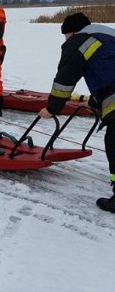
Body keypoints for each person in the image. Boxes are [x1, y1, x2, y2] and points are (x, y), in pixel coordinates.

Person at [38, 12, 115, 213]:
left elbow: (65, 79)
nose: (65, 40)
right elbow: (107, 67)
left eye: (65, 36)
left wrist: (52, 108)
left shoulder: (78, 42)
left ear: (71, 32)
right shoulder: (106, 35)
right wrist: (97, 100)